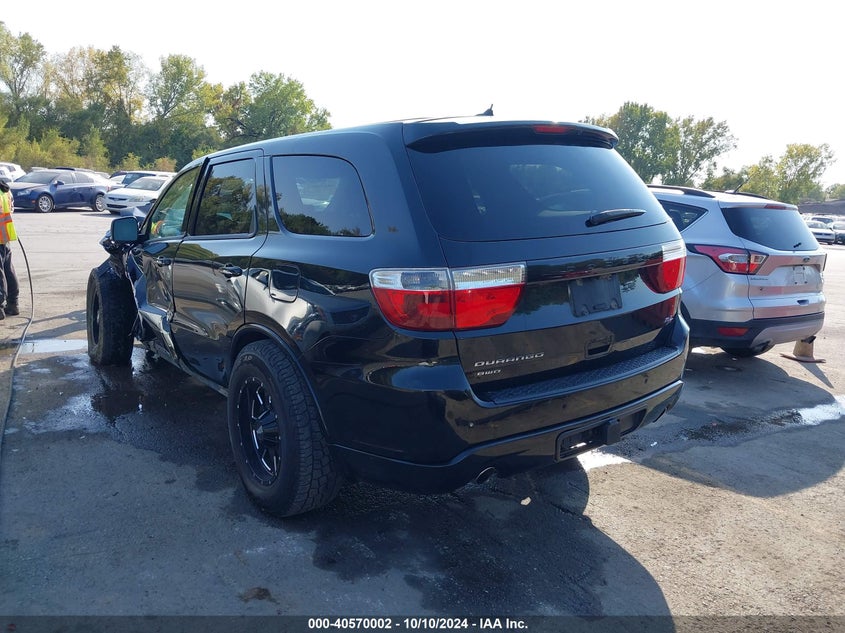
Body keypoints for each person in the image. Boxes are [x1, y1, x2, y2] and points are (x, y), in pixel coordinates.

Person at [0, 180, 20, 319]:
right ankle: (13, 303)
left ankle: (0, 307)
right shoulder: (5, 190)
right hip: (5, 235)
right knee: (8, 269)